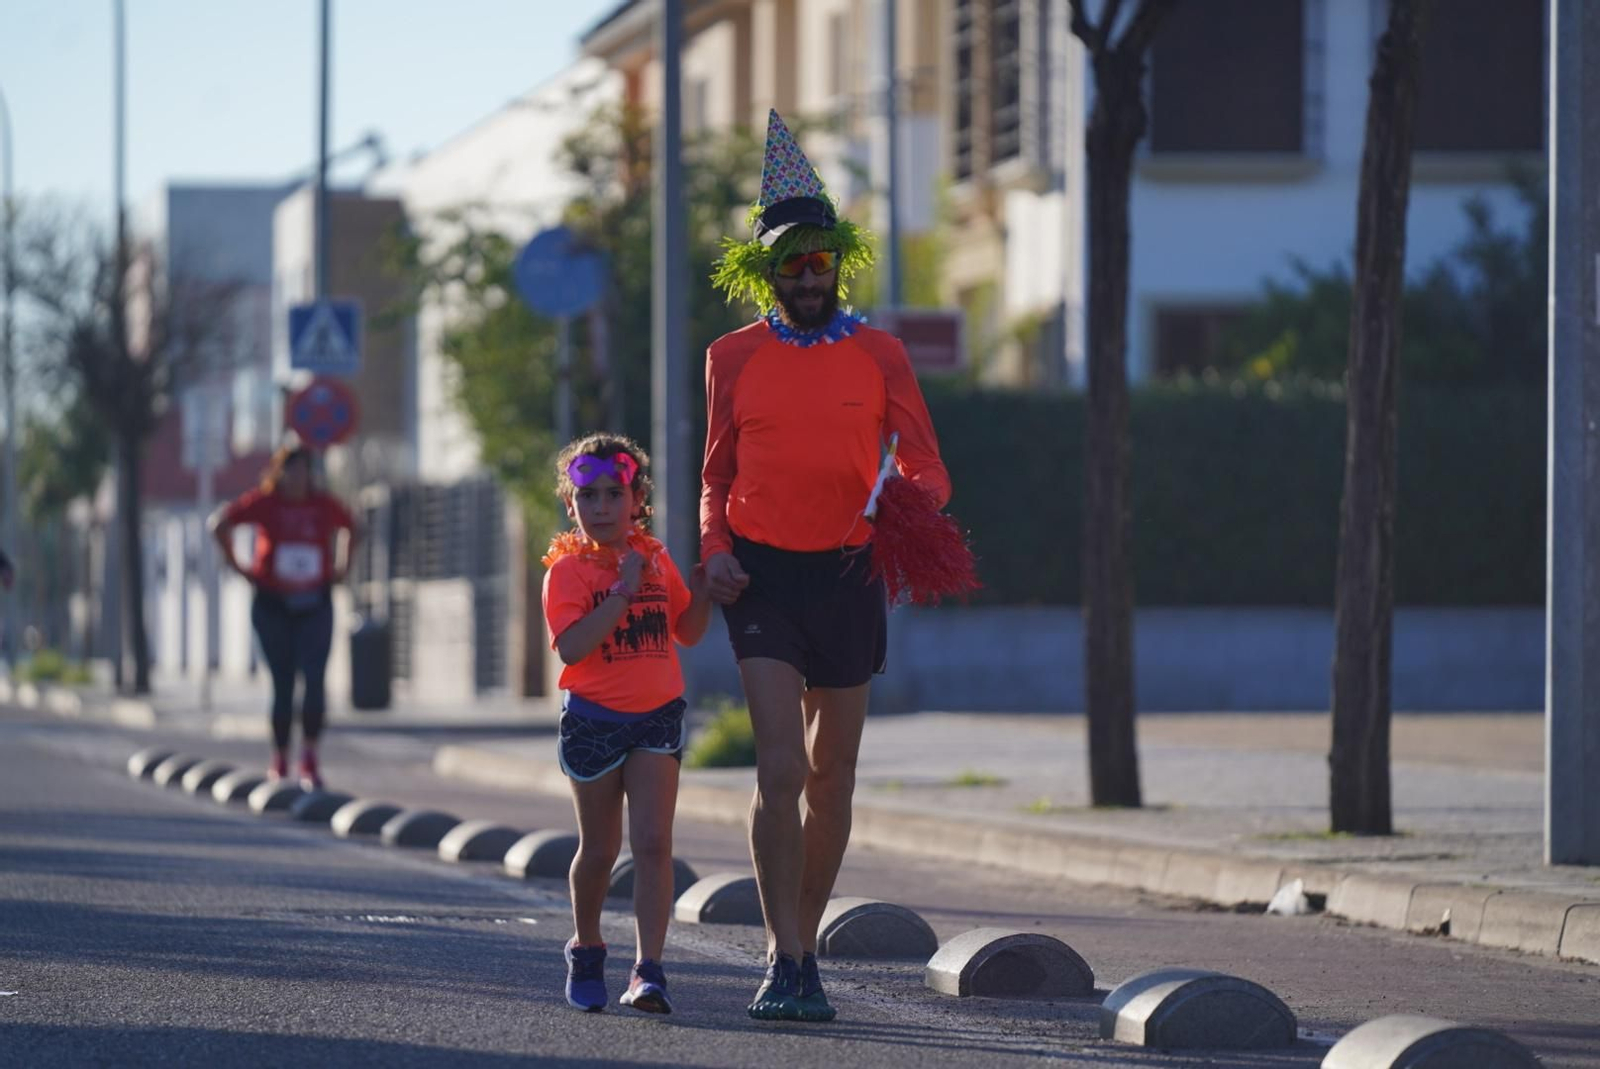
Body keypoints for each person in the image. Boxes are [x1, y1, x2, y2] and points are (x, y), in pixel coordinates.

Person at [703, 111, 953, 1022]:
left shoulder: (881, 354)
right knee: (777, 769)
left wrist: (908, 507)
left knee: (830, 774)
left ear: (837, 264)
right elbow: (715, 476)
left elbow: (927, 465)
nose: (807, 278)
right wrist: (715, 550)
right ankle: (784, 954)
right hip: (763, 577)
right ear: (766, 274)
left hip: (849, 575)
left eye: (818, 262)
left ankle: (804, 940)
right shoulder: (731, 357)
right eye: (790, 265)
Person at [542, 433, 712, 1015]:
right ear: (571, 505)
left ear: (638, 499)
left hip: (656, 717)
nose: (602, 507)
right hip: (594, 722)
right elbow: (572, 648)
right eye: (587, 496)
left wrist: (706, 589)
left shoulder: (655, 557)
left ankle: (648, 970)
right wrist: (622, 591)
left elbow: (688, 631)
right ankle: (587, 947)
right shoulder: (566, 572)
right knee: (599, 850)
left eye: (614, 494)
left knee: (654, 844)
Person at [212, 439, 357, 790]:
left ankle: (309, 757)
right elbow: (219, 524)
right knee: (283, 683)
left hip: (314, 602)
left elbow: (354, 527)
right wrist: (240, 568)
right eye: (291, 471)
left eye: (304, 470)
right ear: (280, 473)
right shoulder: (265, 503)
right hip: (273, 603)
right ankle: (279, 759)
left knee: (315, 679)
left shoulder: (322, 505)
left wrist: (342, 567)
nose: (298, 478)